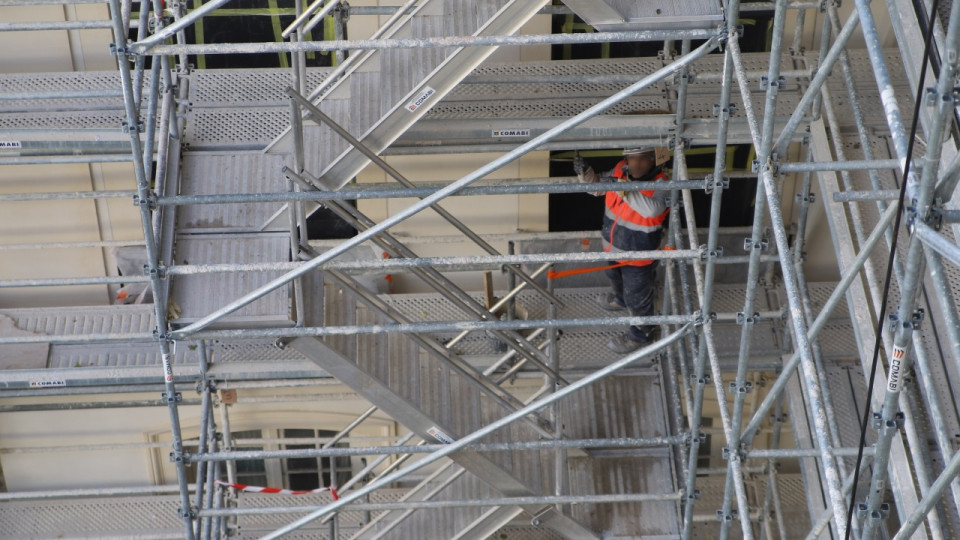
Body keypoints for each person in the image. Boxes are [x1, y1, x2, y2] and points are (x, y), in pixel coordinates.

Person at [573, 147, 670, 354]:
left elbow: (652, 209)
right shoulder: (620, 170)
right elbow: (597, 188)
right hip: (613, 247)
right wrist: (586, 173)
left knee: (638, 298)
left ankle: (641, 335)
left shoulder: (663, 183)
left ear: (653, 160)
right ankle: (620, 300)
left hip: (638, 256)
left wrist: (622, 188)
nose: (636, 164)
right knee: (614, 278)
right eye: (631, 158)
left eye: (642, 159)